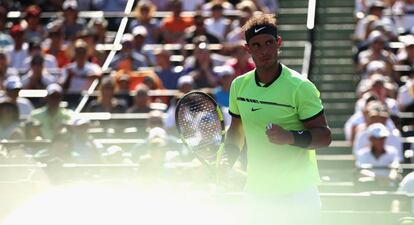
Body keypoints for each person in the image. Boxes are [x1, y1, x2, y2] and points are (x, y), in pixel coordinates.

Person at [219, 14, 331, 225]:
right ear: (248, 49)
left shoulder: (301, 87)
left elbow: (324, 136)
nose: (264, 51)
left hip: (299, 195)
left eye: (269, 43)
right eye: (257, 45)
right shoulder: (239, 85)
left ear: (278, 43)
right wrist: (227, 159)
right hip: (257, 193)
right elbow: (236, 130)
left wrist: (290, 137)